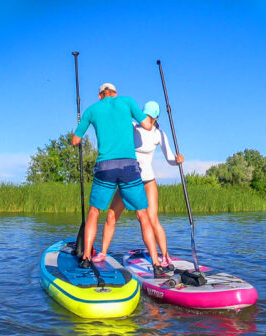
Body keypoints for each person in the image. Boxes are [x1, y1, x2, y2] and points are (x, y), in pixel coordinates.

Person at [72, 83, 167, 276]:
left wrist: (81, 123)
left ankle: (86, 259)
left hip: (105, 167)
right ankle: (156, 263)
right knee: (143, 215)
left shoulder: (92, 109)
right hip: (129, 168)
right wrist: (152, 115)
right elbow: (148, 125)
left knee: (94, 212)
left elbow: (75, 140)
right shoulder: (128, 102)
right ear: (115, 94)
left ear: (100, 96)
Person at [94, 101, 184, 271]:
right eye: (144, 115)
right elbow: (117, 120)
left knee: (152, 219)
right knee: (112, 216)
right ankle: (103, 253)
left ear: (156, 117)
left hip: (148, 181)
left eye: (150, 117)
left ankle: (165, 257)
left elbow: (170, 158)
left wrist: (177, 161)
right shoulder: (133, 127)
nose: (146, 119)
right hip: (128, 179)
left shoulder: (159, 134)